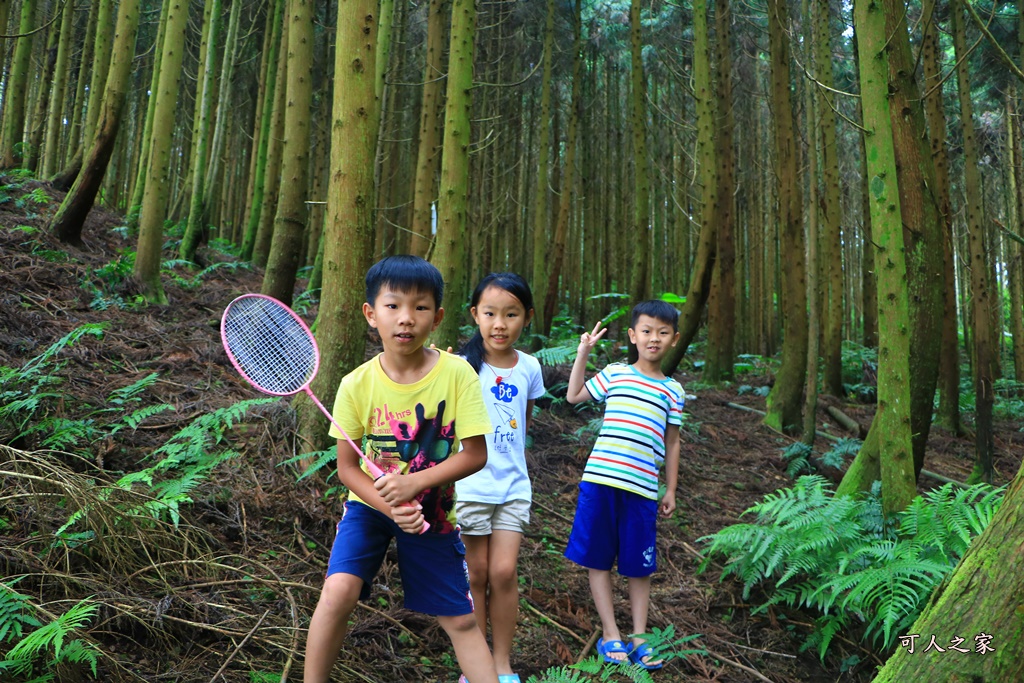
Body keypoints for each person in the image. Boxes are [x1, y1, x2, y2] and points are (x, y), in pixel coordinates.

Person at [303, 255, 500, 683]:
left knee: (462, 621)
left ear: (438, 316)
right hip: (370, 508)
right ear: (371, 315)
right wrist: (390, 506)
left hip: (432, 514)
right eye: (393, 306)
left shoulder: (457, 374)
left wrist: (415, 482)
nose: (406, 319)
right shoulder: (355, 384)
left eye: (420, 307)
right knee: (338, 592)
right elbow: (347, 469)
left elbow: (474, 454)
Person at [563, 300, 684, 671]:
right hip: (601, 481)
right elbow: (574, 395)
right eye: (646, 331)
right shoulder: (616, 374)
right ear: (633, 335)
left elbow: (673, 441)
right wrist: (583, 353)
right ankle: (610, 631)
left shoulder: (673, 390)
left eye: (663, 333)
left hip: (643, 490)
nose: (654, 339)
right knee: (597, 558)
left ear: (674, 340)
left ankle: (640, 636)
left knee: (639, 565)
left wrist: (671, 488)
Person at [455, 273, 546, 683]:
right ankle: (475, 666)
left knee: (504, 572)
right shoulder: (460, 367)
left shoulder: (529, 366)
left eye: (511, 315)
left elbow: (523, 425)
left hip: (513, 485)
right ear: (475, 315)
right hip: (472, 484)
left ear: (526, 317)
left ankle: (502, 664)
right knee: (475, 574)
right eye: (490, 313)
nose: (499, 324)